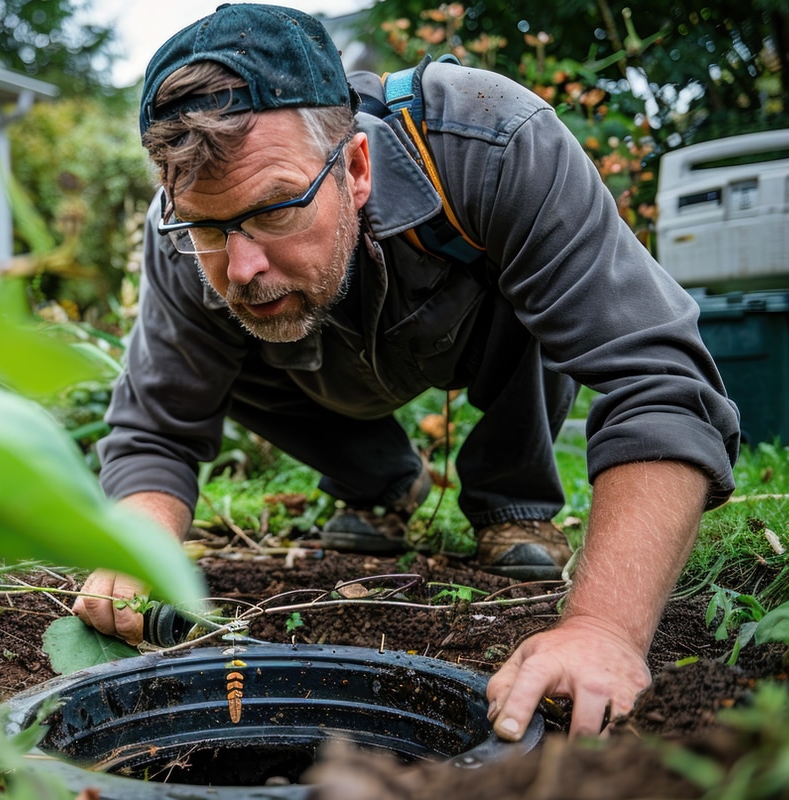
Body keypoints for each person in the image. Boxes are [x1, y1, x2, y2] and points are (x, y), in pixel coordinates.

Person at [72, 3, 740, 743]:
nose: (241, 265)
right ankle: (382, 485)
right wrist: (138, 552)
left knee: (546, 308)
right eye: (206, 226)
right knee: (231, 313)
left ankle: (511, 500)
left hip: (481, 338)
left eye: (275, 210)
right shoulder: (181, 237)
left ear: (355, 167)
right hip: (313, 368)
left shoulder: (492, 141)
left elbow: (659, 379)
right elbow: (154, 427)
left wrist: (603, 627)